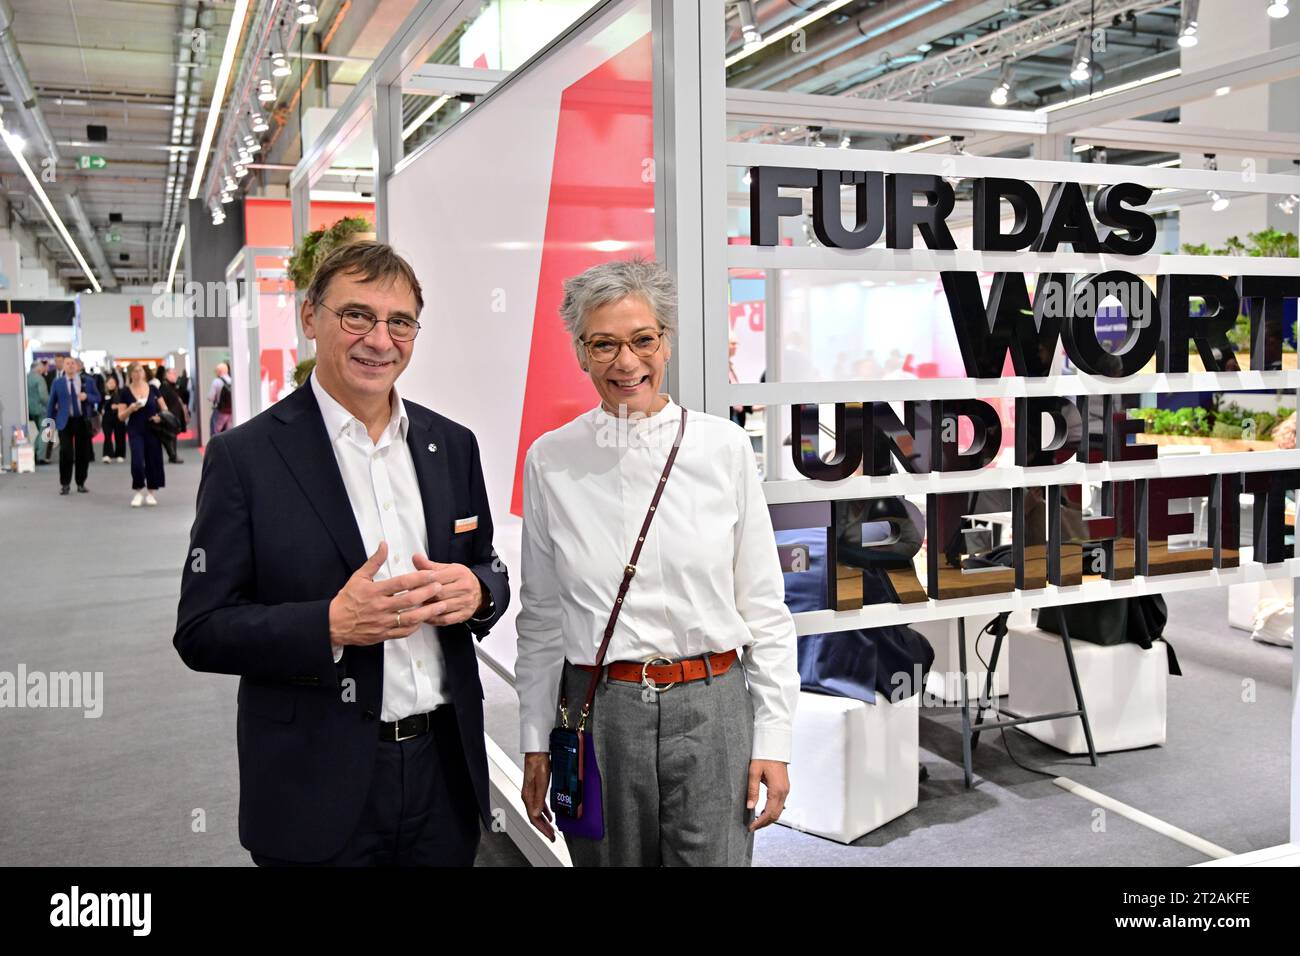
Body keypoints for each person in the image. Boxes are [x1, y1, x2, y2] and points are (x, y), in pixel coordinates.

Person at [174, 240, 510, 867]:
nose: (380, 340)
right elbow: (200, 629)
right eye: (356, 315)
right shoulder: (246, 459)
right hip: (315, 783)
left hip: (444, 776)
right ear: (310, 318)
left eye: (399, 322)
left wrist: (479, 591)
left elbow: (488, 564)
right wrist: (327, 625)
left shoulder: (452, 445)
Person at [515, 258, 799, 867]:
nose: (626, 361)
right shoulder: (551, 460)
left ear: (666, 343)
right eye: (604, 344)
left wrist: (774, 737)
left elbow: (765, 606)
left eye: (643, 339)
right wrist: (535, 741)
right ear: (581, 352)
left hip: (714, 703)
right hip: (601, 711)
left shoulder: (721, 447)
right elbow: (539, 618)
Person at [114, 362, 166, 507]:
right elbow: (120, 416)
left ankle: (151, 492)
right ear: (130, 373)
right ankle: (138, 491)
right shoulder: (124, 392)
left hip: (152, 429)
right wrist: (131, 408)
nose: (138, 374)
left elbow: (165, 409)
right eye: (135, 371)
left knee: (153, 460)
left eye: (140, 371)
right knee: (137, 460)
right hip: (135, 429)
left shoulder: (154, 389)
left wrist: (160, 417)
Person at [46, 354, 99, 495]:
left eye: (72, 363)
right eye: (67, 363)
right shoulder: (57, 383)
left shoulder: (87, 381)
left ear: (77, 366)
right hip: (65, 422)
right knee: (66, 453)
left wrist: (87, 396)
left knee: (83, 453)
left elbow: (98, 397)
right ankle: (65, 484)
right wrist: (48, 427)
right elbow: (51, 405)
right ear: (63, 366)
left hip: (82, 420)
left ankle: (81, 483)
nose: (70, 366)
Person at [159, 369, 188, 464]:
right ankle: (173, 455)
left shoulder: (173, 386)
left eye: (175, 373)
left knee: (173, 436)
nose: (175, 375)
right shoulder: (164, 387)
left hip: (174, 416)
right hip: (169, 417)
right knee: (170, 437)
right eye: (172, 374)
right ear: (166, 375)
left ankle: (173, 455)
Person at [100, 373, 126, 463]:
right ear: (106, 384)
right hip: (107, 418)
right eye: (109, 382)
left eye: (113, 382)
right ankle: (107, 454)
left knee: (120, 436)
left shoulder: (121, 393)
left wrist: (118, 406)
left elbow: (126, 404)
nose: (111, 384)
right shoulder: (103, 393)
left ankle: (120, 454)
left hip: (119, 417)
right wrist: (102, 410)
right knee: (107, 436)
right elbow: (99, 406)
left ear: (116, 383)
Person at [26, 360, 49, 463]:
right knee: (46, 431)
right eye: (42, 367)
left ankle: (34, 452)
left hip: (31, 409)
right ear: (38, 368)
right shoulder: (39, 379)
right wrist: (51, 406)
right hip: (42, 409)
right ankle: (40, 456)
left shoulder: (26, 378)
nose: (44, 368)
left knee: (40, 431)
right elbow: (43, 396)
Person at [209, 362, 232, 438]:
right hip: (231, 411)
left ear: (219, 371)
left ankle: (215, 449)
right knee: (228, 433)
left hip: (221, 411)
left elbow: (210, 397)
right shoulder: (232, 380)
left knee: (215, 432)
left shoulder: (216, 381)